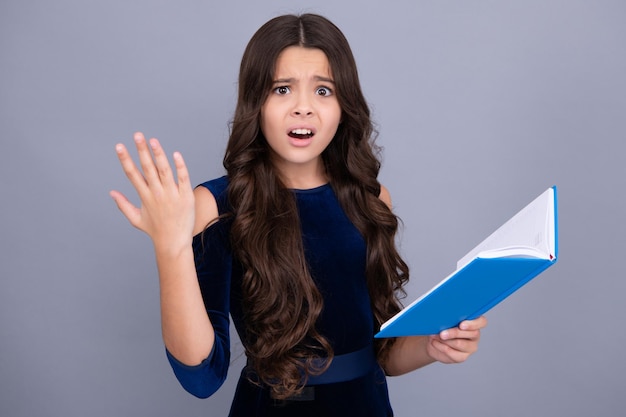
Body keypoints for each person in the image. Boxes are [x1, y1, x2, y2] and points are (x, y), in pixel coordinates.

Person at [110, 13, 487, 416]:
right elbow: (202, 377)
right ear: (256, 102)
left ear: (344, 105)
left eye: (323, 90)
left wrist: (432, 344)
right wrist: (171, 248)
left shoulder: (371, 198)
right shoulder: (217, 205)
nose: (303, 108)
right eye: (282, 89)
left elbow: (383, 352)